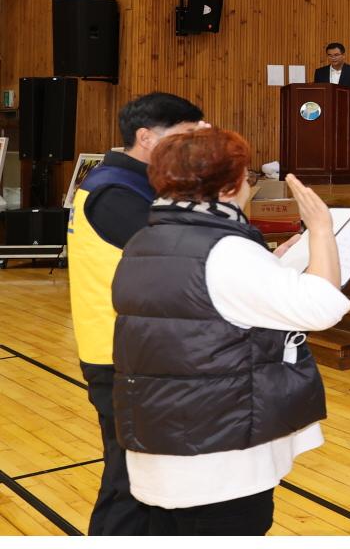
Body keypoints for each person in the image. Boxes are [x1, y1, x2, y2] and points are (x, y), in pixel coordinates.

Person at [110, 129, 350, 535]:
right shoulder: (225, 251)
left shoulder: (145, 240)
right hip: (219, 458)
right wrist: (322, 230)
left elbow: (208, 308)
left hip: (165, 444)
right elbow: (323, 307)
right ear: (230, 185)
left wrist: (270, 268)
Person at [67, 92, 205, 535]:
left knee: (148, 481)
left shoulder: (133, 183)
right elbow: (177, 256)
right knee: (129, 483)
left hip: (138, 353)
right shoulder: (113, 191)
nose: (191, 147)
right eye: (184, 136)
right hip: (121, 358)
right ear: (146, 137)